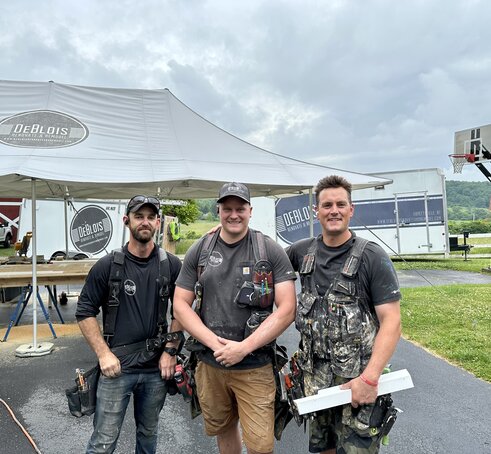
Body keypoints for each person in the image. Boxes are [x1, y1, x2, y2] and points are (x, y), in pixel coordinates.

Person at [173, 182, 296, 454]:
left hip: (255, 366)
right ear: (218, 211)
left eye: (240, 208)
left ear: (250, 211)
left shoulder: (268, 250)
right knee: (224, 429)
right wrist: (215, 345)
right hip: (210, 364)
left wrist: (243, 348)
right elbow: (180, 305)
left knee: (260, 446)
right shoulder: (201, 249)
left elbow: (287, 309)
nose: (233, 214)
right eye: (227, 208)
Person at [286, 175, 402, 454]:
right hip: (317, 384)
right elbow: (263, 260)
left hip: (359, 386)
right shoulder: (301, 252)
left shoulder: (371, 256)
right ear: (317, 211)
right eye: (326, 205)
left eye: (340, 204)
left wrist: (370, 379)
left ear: (352, 209)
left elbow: (392, 321)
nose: (333, 210)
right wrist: (225, 232)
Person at [76, 195, 183, 454]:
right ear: (126, 221)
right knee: (103, 441)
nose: (144, 222)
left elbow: (182, 310)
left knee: (148, 436)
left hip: (155, 370)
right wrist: (103, 354)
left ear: (158, 223)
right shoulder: (107, 266)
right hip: (116, 369)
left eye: (150, 217)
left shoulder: (171, 265)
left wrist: (170, 352)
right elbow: (84, 311)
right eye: (138, 216)